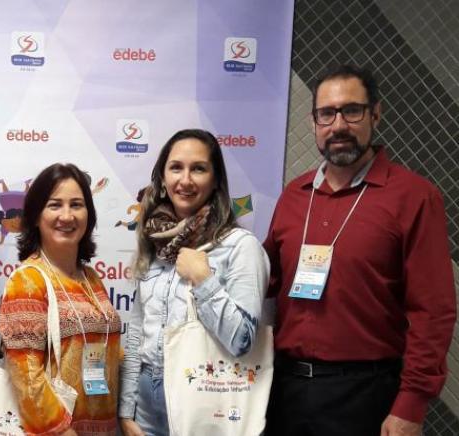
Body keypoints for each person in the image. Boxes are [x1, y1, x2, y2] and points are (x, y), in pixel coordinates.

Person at [263, 64, 456, 436]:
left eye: (351, 111)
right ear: (314, 121)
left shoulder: (414, 196)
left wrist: (411, 405)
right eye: (326, 114)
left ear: (375, 114)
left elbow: (433, 311)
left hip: (366, 395)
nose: (338, 126)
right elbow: (264, 279)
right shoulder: (294, 196)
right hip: (286, 391)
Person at [118, 129, 270, 436]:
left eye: (198, 169)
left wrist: (203, 280)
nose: (185, 180)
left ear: (215, 181)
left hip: (204, 398)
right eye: (176, 167)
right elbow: (137, 330)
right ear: (163, 178)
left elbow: (242, 340)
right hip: (146, 403)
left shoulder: (240, 246)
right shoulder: (155, 241)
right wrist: (126, 409)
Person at [0, 163, 122, 435]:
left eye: (76, 205)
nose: (67, 216)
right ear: (35, 216)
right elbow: (27, 378)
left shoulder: (91, 278)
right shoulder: (27, 281)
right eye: (54, 205)